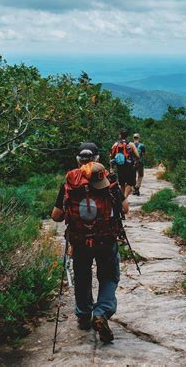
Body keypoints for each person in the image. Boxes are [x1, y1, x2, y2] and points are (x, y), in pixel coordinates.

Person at [51, 145, 129, 343]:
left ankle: (84, 314)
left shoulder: (70, 181)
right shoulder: (108, 179)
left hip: (79, 240)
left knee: (83, 275)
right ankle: (101, 312)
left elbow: (56, 216)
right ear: (97, 158)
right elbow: (125, 210)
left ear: (78, 159)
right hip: (106, 239)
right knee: (109, 276)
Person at [109, 128, 140, 198]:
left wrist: (111, 168)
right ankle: (124, 198)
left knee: (122, 183)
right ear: (127, 135)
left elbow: (111, 156)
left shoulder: (116, 144)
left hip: (120, 166)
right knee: (130, 183)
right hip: (129, 167)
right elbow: (137, 156)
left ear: (120, 135)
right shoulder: (131, 144)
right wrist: (136, 162)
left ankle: (122, 199)